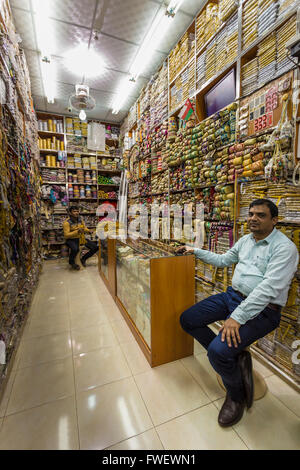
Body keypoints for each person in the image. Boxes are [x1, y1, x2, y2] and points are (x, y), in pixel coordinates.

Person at [177, 199, 299, 427]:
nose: (253, 218)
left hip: (264, 311)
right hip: (232, 296)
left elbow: (269, 289)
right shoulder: (245, 240)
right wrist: (195, 250)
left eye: (260, 215)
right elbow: (223, 261)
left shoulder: (285, 248)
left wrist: (237, 318)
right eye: (251, 214)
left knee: (217, 352)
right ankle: (232, 357)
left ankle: (236, 395)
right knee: (188, 320)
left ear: (274, 220)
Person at [63, 206, 98, 270]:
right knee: (75, 249)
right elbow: (66, 235)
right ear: (70, 213)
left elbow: (84, 228)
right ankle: (72, 262)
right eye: (74, 211)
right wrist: (77, 231)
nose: (76, 213)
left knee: (95, 247)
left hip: (81, 238)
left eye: (77, 211)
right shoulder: (67, 223)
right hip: (71, 239)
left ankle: (83, 259)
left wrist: (89, 231)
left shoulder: (80, 220)